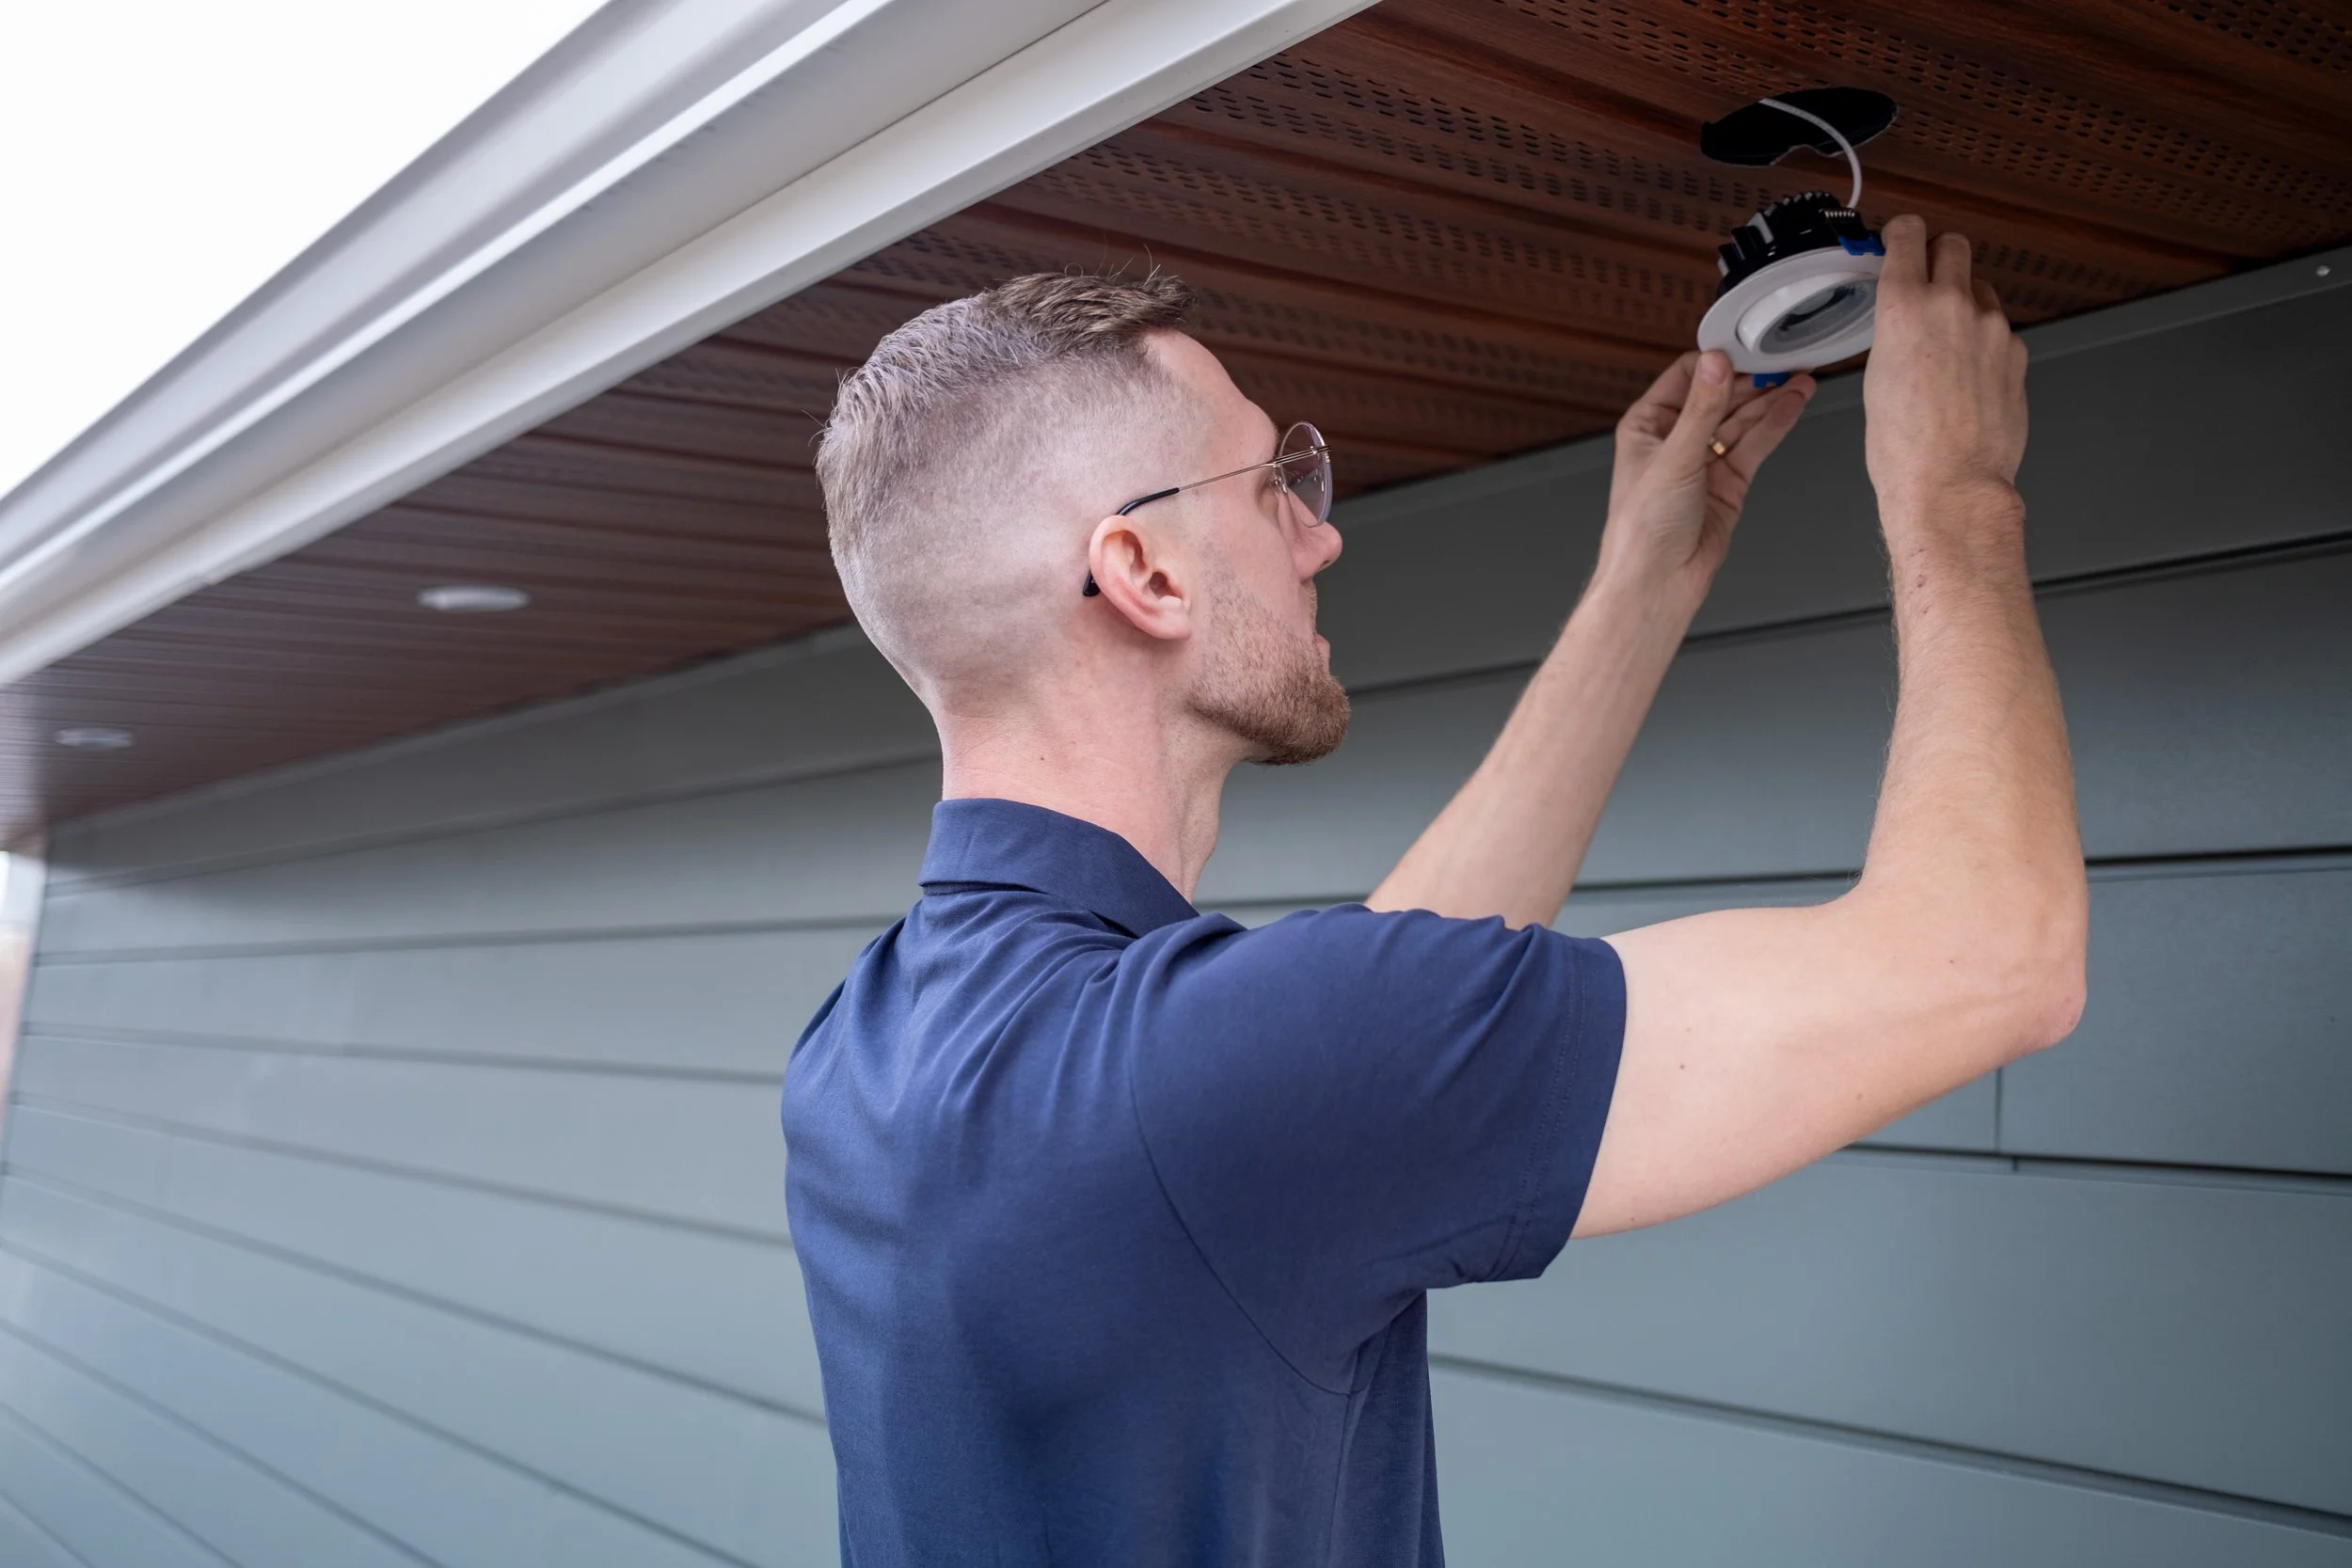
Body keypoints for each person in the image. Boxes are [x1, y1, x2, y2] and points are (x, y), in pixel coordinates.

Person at [781, 214, 2086, 1565]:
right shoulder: (1209, 1071)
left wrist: (1639, 586)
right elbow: (1994, 958)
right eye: (1271, 482)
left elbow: (1342, 1049)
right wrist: (1959, 492)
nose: (1316, 536)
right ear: (1144, 570)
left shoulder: (860, 1051)